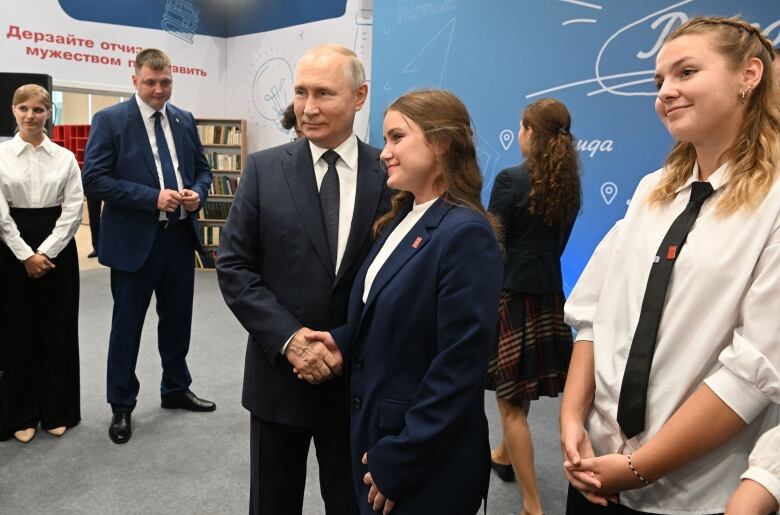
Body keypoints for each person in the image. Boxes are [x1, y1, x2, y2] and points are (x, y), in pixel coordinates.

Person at [561, 16, 780, 514]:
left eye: (685, 72)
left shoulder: (774, 203)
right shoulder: (650, 192)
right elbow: (594, 312)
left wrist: (641, 467)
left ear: (749, 74)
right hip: (594, 471)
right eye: (659, 81)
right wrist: (572, 420)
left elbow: (754, 370)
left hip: (690, 496)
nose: (666, 92)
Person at [307, 88, 504, 515]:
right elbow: (399, 317)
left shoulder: (465, 234)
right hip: (378, 436)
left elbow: (459, 365)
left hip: (422, 456)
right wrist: (342, 339)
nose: (384, 152)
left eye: (397, 138)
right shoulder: (404, 217)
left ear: (440, 143)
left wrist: (401, 458)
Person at [216, 44, 390, 515]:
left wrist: (341, 343)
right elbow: (234, 267)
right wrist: (291, 340)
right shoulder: (263, 170)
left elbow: (397, 284)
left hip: (357, 381)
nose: (308, 108)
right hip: (279, 378)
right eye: (300, 92)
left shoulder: (390, 175)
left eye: (324, 93)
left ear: (359, 96)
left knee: (353, 505)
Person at [82, 48, 215, 445]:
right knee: (127, 328)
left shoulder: (183, 119)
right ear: (135, 80)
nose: (159, 90)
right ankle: (121, 404)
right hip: (133, 244)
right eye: (151, 82)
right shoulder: (110, 120)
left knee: (177, 323)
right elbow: (96, 179)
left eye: (166, 82)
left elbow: (203, 170)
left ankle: (175, 388)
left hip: (177, 240)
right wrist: (151, 197)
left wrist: (198, 195)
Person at [486, 97, 580, 515]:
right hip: (549, 297)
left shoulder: (509, 179)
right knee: (519, 390)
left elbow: (492, 245)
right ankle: (504, 456)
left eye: (521, 127)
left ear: (529, 131)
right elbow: (557, 246)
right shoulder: (569, 183)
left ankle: (533, 506)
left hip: (511, 297)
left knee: (509, 404)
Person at [0, 84, 83, 443]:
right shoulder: (1, 155)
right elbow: (1, 215)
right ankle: (21, 412)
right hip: (10, 249)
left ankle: (57, 410)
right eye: (24, 109)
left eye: (38, 109)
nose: (31, 116)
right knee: (16, 332)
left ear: (48, 112)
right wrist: (25, 254)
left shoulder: (64, 157)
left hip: (57, 250)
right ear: (13, 111)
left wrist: (45, 252)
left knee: (57, 330)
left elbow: (73, 209)